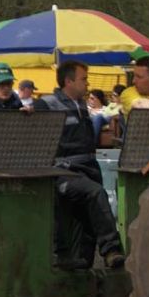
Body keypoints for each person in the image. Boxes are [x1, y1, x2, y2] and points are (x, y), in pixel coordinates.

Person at [34, 60, 125, 270]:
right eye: (83, 79)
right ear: (69, 81)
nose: (87, 83)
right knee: (95, 193)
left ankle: (84, 267)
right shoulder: (46, 105)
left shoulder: (82, 105)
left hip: (89, 167)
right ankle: (111, 249)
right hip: (63, 171)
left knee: (87, 224)